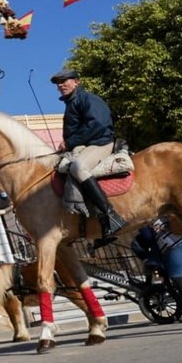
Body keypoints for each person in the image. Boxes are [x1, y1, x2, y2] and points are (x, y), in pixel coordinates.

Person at [51, 69, 126, 246]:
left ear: (76, 81)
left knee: (78, 167)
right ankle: (97, 226)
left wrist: (70, 143)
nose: (61, 85)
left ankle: (110, 215)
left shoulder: (88, 99)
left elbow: (97, 125)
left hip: (101, 143)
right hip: (86, 145)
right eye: (58, 83)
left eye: (65, 80)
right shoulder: (71, 103)